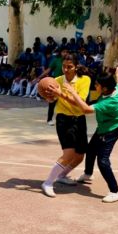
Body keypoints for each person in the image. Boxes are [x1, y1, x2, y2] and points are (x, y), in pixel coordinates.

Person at [62, 67, 118, 203]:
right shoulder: (116, 90)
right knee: (90, 150)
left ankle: (115, 191)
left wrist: (73, 92)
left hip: (110, 132)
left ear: (105, 88)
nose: (95, 85)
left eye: (97, 85)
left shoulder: (109, 102)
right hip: (103, 128)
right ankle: (88, 174)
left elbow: (85, 109)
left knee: (102, 161)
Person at [40, 54, 91, 198]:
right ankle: (48, 183)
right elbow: (51, 99)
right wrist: (48, 97)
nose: (66, 69)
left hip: (79, 119)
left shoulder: (84, 80)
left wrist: (59, 93)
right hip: (64, 120)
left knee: (80, 155)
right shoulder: (56, 81)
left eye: (70, 67)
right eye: (64, 66)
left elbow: (79, 102)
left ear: (76, 67)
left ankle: (62, 175)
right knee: (68, 154)